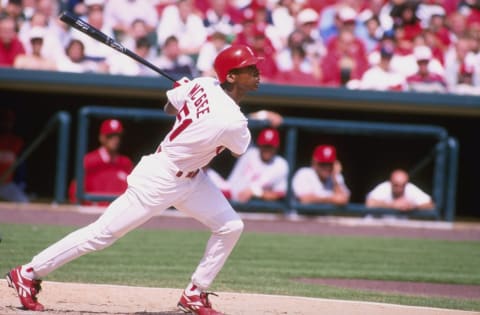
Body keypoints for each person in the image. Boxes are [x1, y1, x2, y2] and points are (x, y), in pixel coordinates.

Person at [6, 44, 262, 315]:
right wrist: (190, 94)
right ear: (231, 76)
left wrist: (188, 92)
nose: (257, 72)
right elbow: (237, 150)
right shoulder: (232, 119)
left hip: (192, 179)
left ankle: (195, 293)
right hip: (161, 178)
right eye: (250, 68)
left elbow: (168, 108)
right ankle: (29, 272)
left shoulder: (203, 84)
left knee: (230, 226)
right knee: (101, 234)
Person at [68, 119, 133, 206]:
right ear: (101, 137)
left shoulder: (126, 163)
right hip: (93, 212)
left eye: (118, 135)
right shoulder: (89, 160)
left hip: (119, 213)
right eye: (110, 135)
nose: (115, 139)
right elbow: (74, 191)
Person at [226, 127, 289, 203]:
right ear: (259, 145)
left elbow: (279, 194)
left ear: (276, 147)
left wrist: (255, 192)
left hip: (257, 209)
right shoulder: (249, 154)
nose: (267, 149)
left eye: (270, 146)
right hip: (231, 198)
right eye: (265, 146)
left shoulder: (281, 165)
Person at [365, 168, 435, 211]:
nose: (400, 188)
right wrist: (392, 205)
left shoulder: (409, 188)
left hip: (399, 230)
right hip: (376, 228)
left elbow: (430, 205)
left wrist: (413, 206)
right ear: (391, 182)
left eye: (403, 185)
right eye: (396, 185)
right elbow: (369, 203)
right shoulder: (384, 188)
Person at [0, 109, 29, 203]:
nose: (6, 124)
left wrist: (20, 183)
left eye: (9, 121)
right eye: (3, 120)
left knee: (24, 202)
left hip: (6, 184)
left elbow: (20, 165)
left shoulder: (16, 141)